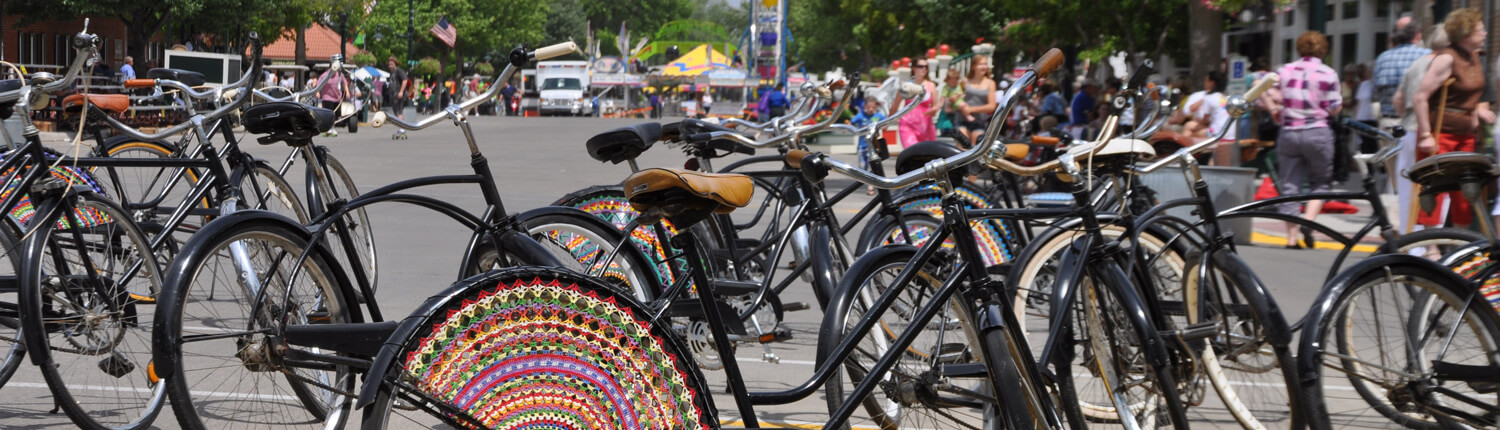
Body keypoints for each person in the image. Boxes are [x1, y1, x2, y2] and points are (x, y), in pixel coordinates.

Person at [1260, 31, 1342, 249]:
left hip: (1290, 132)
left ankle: (1291, 237)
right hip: (1318, 132)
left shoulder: (1284, 70)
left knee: (1289, 185)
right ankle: (1308, 221)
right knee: (1321, 182)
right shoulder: (1328, 73)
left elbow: (1261, 88)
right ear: (1323, 50)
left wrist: (1274, 109)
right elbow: (1334, 107)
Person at [1412, 8, 1491, 230]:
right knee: (1434, 186)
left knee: (1466, 190)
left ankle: (1461, 242)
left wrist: (1478, 109)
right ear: (1466, 33)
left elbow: (1474, 94)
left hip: (1465, 135)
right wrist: (1426, 134)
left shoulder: (1474, 56)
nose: (1485, 33)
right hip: (1441, 133)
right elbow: (1419, 97)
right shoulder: (1447, 58)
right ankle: (1431, 244)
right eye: (1480, 29)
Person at [1391, 26, 1450, 234]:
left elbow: (1398, 98)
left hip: (1408, 126)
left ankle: (1408, 234)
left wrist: (1405, 114)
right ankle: (1426, 238)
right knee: (1432, 186)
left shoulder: (1417, 63)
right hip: (1427, 128)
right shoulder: (1444, 63)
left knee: (1407, 185)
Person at [1374, 15, 1429, 128]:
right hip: (1416, 123)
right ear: (1417, 34)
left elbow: (1374, 92)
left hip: (1388, 123)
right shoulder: (1427, 56)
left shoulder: (1382, 58)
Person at [898, 58, 939, 148]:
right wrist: (886, 123)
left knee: (927, 154)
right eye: (921, 66)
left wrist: (932, 110)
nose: (924, 69)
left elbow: (935, 107)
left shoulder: (931, 85)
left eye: (926, 67)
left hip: (926, 127)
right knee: (912, 151)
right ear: (913, 68)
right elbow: (895, 105)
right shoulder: (906, 85)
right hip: (908, 124)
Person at [850, 100, 887, 194]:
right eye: (868, 107)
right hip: (862, 146)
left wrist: (882, 128)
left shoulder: (878, 116)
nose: (870, 109)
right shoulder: (860, 115)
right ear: (864, 107)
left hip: (873, 146)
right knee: (862, 167)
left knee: (872, 167)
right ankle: (865, 182)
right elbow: (852, 122)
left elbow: (886, 122)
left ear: (876, 107)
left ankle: (871, 187)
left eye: (873, 107)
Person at [960, 57, 998, 146]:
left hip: (979, 121)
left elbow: (992, 106)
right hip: (962, 119)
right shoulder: (965, 81)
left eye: (985, 64)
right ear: (974, 66)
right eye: (981, 64)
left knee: (976, 146)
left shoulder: (991, 83)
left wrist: (971, 109)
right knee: (962, 145)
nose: (984, 67)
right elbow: (957, 96)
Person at [317, 66, 352, 137]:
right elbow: (319, 83)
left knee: (336, 115)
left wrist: (347, 92)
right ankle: (328, 129)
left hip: (337, 98)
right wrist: (317, 92)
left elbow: (344, 83)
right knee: (328, 114)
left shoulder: (340, 75)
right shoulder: (325, 75)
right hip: (327, 97)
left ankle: (333, 128)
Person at [937, 67, 966, 138]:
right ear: (948, 80)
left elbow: (963, 93)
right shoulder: (946, 87)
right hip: (949, 109)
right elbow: (943, 97)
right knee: (947, 125)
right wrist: (941, 104)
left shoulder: (959, 86)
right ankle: (945, 132)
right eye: (952, 82)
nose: (954, 83)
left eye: (955, 81)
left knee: (957, 125)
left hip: (957, 109)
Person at [385, 57, 410, 138]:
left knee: (399, 112)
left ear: (395, 64)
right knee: (397, 113)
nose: (390, 66)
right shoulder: (392, 73)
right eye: (389, 64)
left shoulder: (399, 71)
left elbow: (405, 80)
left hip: (399, 95)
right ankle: (402, 129)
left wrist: (401, 92)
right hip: (394, 95)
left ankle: (402, 129)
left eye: (392, 64)